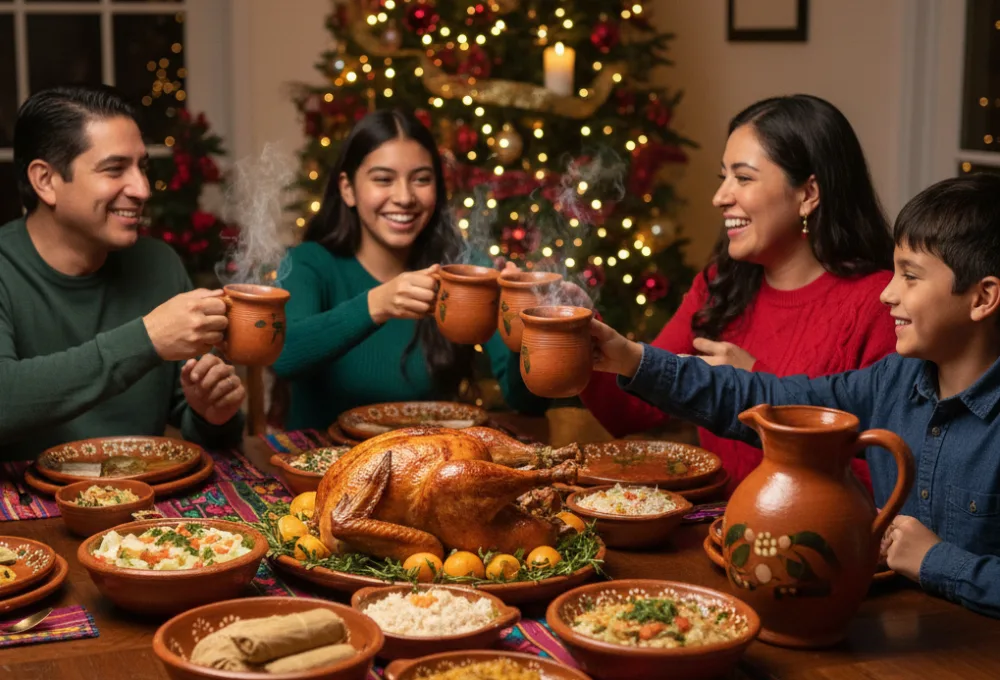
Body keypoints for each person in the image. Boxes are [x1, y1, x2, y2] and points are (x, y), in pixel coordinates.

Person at [590, 173, 1000, 618]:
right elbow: (767, 400)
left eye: (911, 276)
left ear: (983, 297)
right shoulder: (893, 379)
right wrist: (632, 358)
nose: (888, 293)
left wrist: (933, 560)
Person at [581, 94, 896, 494]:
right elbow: (632, 410)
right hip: (717, 536)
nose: (720, 197)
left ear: (809, 193)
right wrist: (579, 333)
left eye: (743, 178)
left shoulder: (882, 304)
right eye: (723, 177)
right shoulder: (719, 285)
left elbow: (888, 482)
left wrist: (757, 385)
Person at [0, 85, 245, 460]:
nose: (143, 189)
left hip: (141, 504)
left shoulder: (159, 264)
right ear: (45, 181)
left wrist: (214, 415)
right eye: (115, 169)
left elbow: (199, 425)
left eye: (142, 167)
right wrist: (147, 339)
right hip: (26, 511)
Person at [272, 109, 547, 429]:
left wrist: (524, 332)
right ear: (347, 188)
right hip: (325, 470)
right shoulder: (308, 263)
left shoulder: (463, 269)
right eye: (383, 179)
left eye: (421, 179)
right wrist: (376, 304)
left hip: (428, 467)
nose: (404, 197)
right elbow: (283, 356)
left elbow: (527, 402)